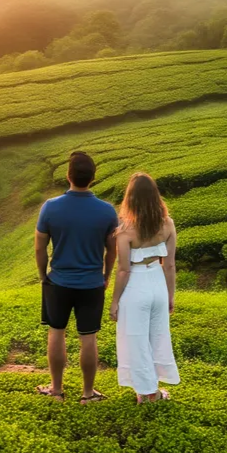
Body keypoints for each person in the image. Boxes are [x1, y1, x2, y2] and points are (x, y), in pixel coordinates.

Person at [34, 151, 118, 404]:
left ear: (68, 175)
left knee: (56, 332)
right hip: (92, 284)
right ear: (93, 178)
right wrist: (105, 276)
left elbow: (40, 248)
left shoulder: (50, 207)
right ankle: (88, 393)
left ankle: (57, 390)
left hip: (57, 282)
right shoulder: (106, 211)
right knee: (88, 337)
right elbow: (111, 250)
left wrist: (42, 276)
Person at [109, 172, 180, 403]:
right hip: (158, 282)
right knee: (156, 337)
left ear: (130, 198)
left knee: (135, 340)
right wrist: (170, 295)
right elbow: (169, 265)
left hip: (135, 286)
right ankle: (152, 390)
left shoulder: (125, 229)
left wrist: (114, 300)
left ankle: (147, 393)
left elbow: (123, 269)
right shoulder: (167, 224)